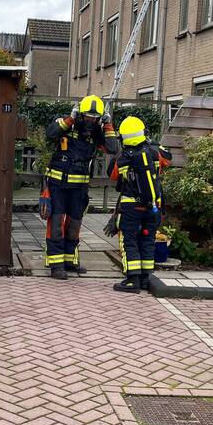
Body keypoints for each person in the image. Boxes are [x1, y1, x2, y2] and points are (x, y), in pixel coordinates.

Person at [42, 95, 119, 279]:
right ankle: (56, 265)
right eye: (88, 116)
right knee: (57, 225)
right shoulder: (67, 124)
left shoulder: (97, 132)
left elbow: (112, 148)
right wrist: (70, 119)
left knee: (74, 224)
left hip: (79, 188)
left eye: (95, 117)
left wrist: (108, 125)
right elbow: (51, 133)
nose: (91, 121)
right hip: (58, 185)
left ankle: (70, 261)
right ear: (81, 114)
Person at [109, 116, 172, 293]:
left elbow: (113, 175)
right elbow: (169, 159)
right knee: (147, 240)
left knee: (129, 240)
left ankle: (131, 280)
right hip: (153, 207)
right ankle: (145, 279)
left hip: (131, 207)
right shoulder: (154, 151)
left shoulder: (124, 157)